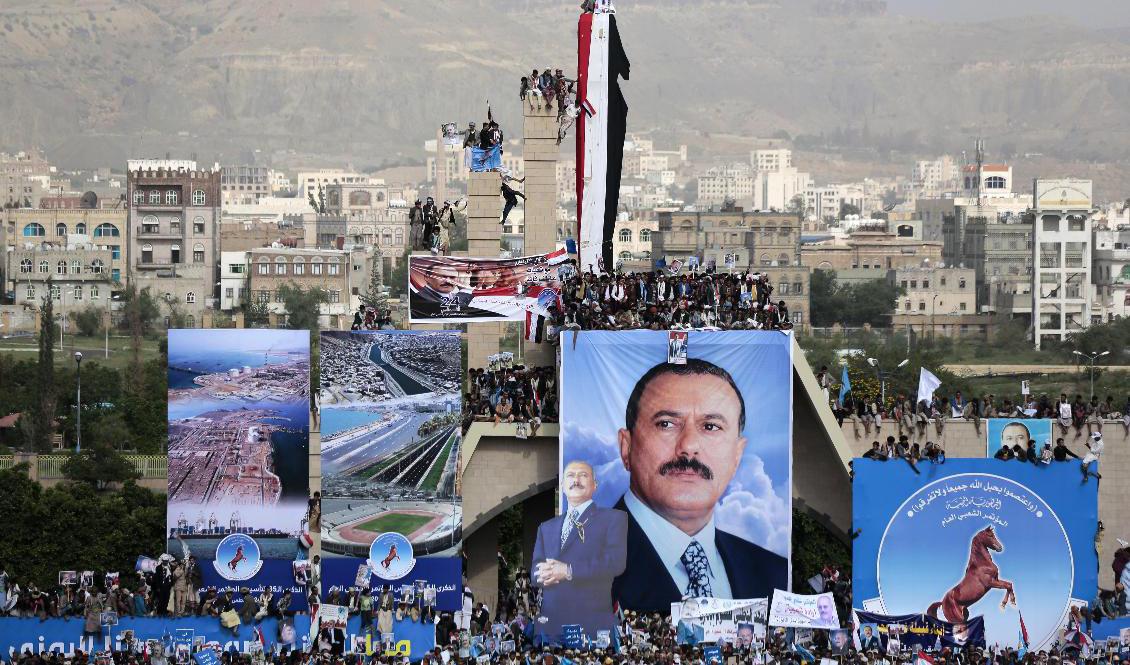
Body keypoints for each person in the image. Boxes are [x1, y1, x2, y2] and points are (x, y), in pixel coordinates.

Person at [611, 359, 787, 611]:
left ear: (737, 456)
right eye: (666, 423)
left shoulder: (776, 575)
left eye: (711, 426)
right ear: (626, 447)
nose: (689, 446)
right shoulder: (575, 567)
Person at [531, 460, 628, 641]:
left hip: (591, 626)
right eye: (570, 475)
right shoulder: (546, 527)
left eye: (583, 475)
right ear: (562, 486)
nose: (576, 480)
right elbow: (534, 571)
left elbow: (615, 563)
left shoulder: (613, 518)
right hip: (551, 628)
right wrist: (543, 574)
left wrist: (568, 571)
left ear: (594, 485)